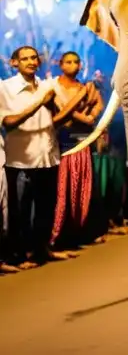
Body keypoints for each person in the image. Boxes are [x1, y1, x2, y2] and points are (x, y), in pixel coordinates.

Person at [0, 45, 88, 268]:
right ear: (14, 63)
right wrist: (39, 102)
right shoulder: (5, 88)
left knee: (45, 207)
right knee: (19, 212)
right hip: (20, 159)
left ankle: (42, 250)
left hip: (48, 155)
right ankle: (18, 256)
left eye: (34, 58)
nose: (31, 62)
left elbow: (57, 120)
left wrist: (78, 99)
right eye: (25, 59)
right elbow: (8, 123)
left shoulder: (47, 86)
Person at [51, 52, 104, 249]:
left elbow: (99, 103)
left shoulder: (85, 87)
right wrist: (86, 118)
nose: (73, 65)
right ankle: (61, 234)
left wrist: (92, 115)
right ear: (61, 65)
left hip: (83, 140)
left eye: (76, 62)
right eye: (68, 62)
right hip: (63, 142)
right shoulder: (54, 86)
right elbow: (65, 111)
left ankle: (83, 231)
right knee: (64, 187)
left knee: (85, 183)